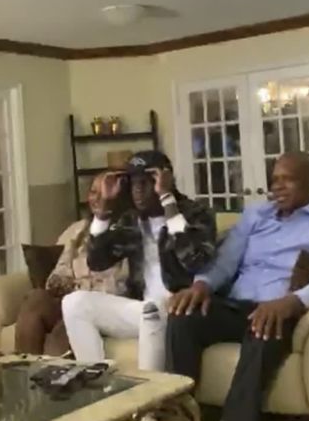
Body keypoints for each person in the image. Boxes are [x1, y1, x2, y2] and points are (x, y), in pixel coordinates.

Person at [166, 152, 309, 421]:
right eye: (275, 179)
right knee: (183, 316)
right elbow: (226, 261)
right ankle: (178, 414)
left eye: (288, 179)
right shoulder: (256, 215)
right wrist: (202, 285)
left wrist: (292, 301)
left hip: (280, 311)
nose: (277, 186)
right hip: (236, 307)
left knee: (264, 326)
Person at [62, 150, 216, 371]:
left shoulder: (196, 213)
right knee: (73, 303)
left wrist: (167, 202)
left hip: (178, 311)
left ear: (165, 181)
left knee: (151, 311)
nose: (138, 190)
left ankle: (146, 401)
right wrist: (104, 211)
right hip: (142, 309)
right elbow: (97, 261)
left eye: (146, 181)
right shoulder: (131, 219)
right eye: (133, 182)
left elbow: (195, 260)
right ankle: (98, 384)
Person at [14, 172, 130, 356]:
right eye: (93, 192)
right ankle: (23, 371)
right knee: (35, 298)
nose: (97, 198)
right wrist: (64, 285)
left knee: (66, 323)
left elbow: (120, 286)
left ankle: (50, 378)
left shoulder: (126, 233)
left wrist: (80, 291)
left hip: (96, 308)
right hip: (66, 299)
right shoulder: (79, 230)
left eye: (104, 193)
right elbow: (57, 275)